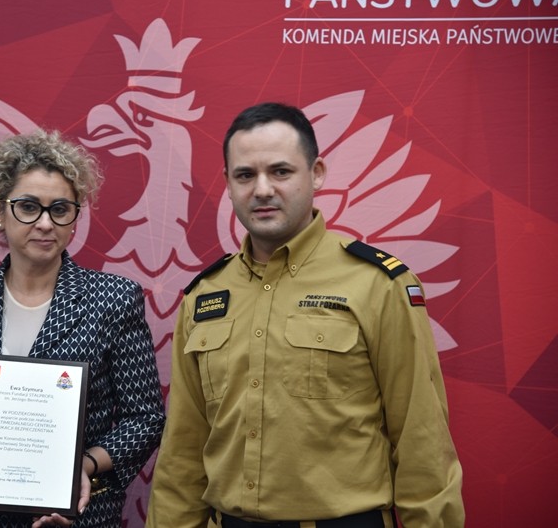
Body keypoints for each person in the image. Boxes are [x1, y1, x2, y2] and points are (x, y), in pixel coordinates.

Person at [146, 103, 464, 528]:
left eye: (280, 171)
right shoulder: (204, 296)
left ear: (316, 174)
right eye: (245, 175)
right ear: (228, 184)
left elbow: (421, 437)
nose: (262, 189)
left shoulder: (378, 284)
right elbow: (183, 451)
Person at [0, 129, 165, 528]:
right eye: (28, 207)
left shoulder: (114, 299)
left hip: (75, 515)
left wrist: (84, 465)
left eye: (60, 209)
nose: (45, 223)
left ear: (75, 216)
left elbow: (144, 418)